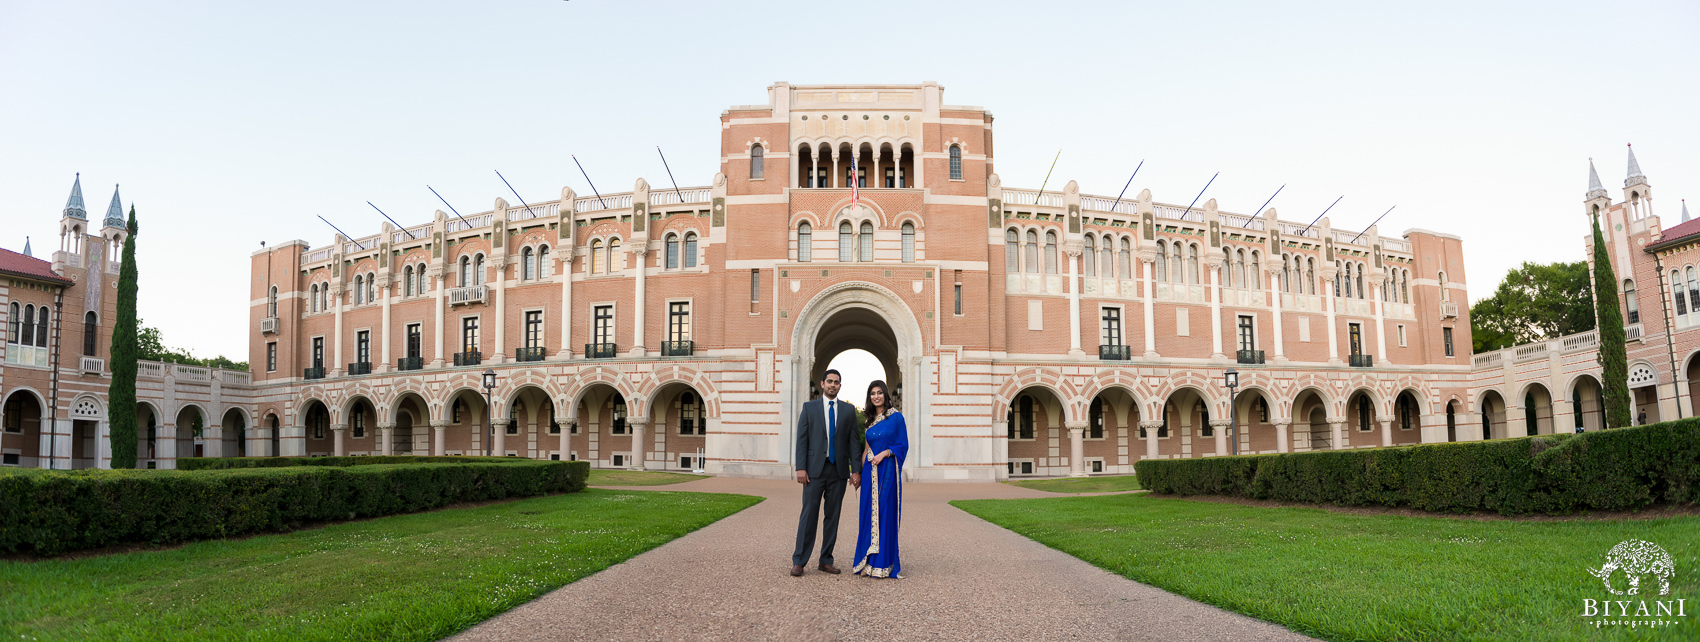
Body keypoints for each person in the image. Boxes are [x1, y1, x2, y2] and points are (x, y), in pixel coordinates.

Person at [791, 369, 863, 577]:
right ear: (822, 384)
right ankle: (799, 561)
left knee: (833, 517)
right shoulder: (809, 408)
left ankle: (826, 560)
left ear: (840, 386)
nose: (833, 385)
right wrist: (801, 468)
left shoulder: (849, 411)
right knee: (809, 515)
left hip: (838, 472)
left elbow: (854, 444)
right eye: (830, 381)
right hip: (813, 471)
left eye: (837, 382)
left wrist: (855, 470)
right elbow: (802, 440)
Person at [852, 379, 908, 579]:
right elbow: (866, 449)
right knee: (868, 514)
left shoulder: (896, 418)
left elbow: (903, 445)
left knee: (884, 514)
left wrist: (885, 453)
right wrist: (857, 472)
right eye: (872, 393)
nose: (876, 396)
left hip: (887, 472)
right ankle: (867, 562)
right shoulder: (868, 421)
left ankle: (882, 563)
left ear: (885, 394)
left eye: (879, 392)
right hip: (869, 474)